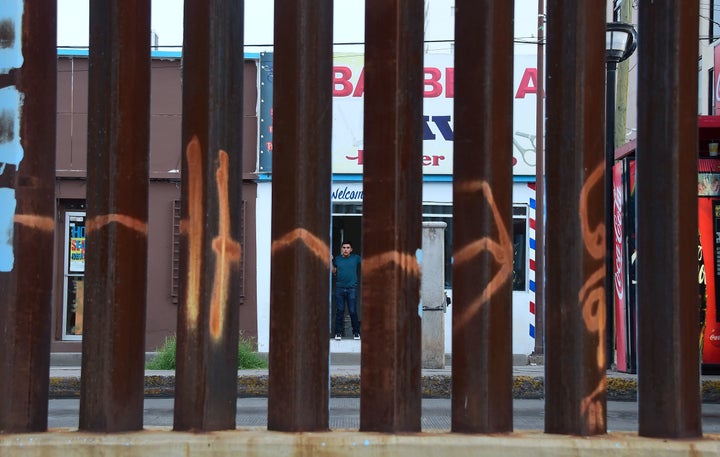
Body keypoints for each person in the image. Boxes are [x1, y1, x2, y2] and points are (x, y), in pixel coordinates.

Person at [332, 241, 362, 340]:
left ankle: (356, 332)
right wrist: (330, 261)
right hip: (339, 288)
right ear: (341, 249)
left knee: (352, 311)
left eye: (348, 247)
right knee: (340, 310)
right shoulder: (337, 259)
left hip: (351, 288)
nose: (345, 249)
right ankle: (338, 333)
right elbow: (334, 272)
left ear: (351, 250)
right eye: (344, 247)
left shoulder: (355, 258)